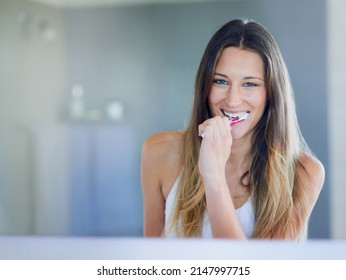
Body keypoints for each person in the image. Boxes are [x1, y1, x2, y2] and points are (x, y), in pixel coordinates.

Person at [140, 18, 324, 239]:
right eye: (220, 81)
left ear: (271, 94)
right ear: (205, 87)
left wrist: (214, 176)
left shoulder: (303, 173)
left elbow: (251, 272)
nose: (233, 100)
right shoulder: (159, 152)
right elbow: (151, 259)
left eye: (250, 84)